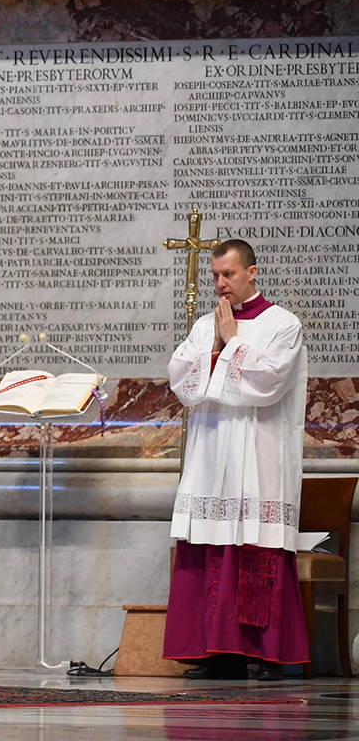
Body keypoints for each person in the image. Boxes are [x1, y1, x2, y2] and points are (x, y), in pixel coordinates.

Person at [163, 238, 309, 680]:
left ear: (252, 272)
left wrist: (231, 344)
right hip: (212, 450)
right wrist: (215, 347)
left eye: (228, 274)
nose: (220, 284)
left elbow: (269, 381)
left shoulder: (283, 324)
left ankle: (264, 653)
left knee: (254, 544)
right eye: (214, 276)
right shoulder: (205, 324)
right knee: (209, 544)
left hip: (259, 450)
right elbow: (180, 377)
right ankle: (217, 652)